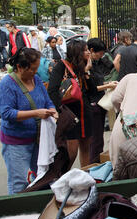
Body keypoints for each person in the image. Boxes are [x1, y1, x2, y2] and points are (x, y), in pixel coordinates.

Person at [0, 48, 58, 194]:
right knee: (18, 183)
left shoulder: (36, 79)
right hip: (16, 142)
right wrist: (36, 113)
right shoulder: (7, 84)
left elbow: (47, 101)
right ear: (19, 67)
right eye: (32, 69)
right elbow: (6, 113)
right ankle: (18, 213)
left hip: (38, 139)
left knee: (43, 178)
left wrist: (53, 111)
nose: (35, 72)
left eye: (37, 68)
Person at [48, 40, 98, 168]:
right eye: (85, 50)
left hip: (85, 112)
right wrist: (60, 111)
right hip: (70, 114)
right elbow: (52, 91)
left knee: (86, 149)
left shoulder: (85, 66)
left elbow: (93, 91)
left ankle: (84, 178)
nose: (88, 52)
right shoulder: (62, 66)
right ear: (77, 52)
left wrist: (87, 72)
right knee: (71, 152)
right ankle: (63, 178)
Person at [86, 37, 118, 164]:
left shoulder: (96, 64)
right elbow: (92, 88)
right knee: (95, 138)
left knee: (98, 137)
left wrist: (109, 83)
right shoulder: (86, 67)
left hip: (99, 103)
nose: (102, 56)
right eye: (100, 53)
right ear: (92, 50)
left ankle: (96, 163)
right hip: (93, 103)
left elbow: (97, 82)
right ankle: (93, 164)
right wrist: (108, 86)